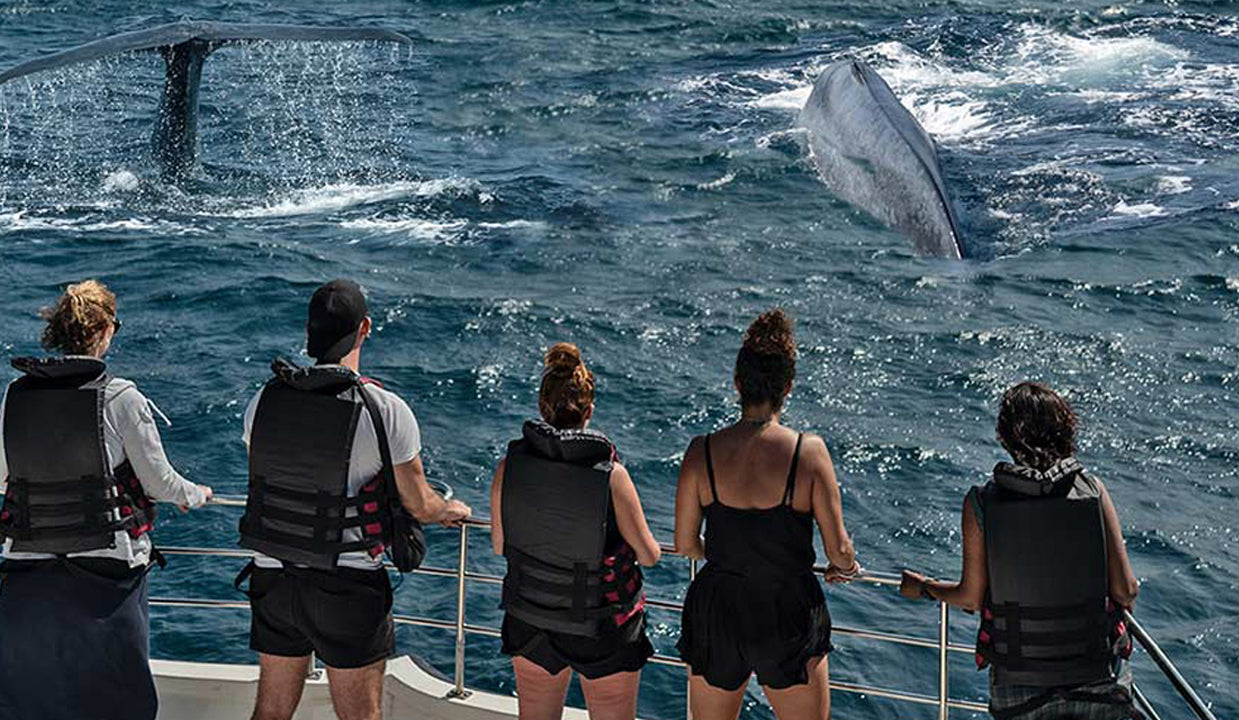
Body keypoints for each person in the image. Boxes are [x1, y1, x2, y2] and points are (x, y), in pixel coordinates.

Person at [238, 279, 471, 720]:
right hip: (347, 586)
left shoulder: (262, 400)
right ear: (364, 328)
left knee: (270, 713)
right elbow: (419, 504)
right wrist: (450, 510)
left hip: (275, 578)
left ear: (310, 332)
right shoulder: (383, 409)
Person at [0, 280, 213, 720]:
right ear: (104, 331)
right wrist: (196, 494)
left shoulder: (14, 396)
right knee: (119, 704)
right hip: (106, 577)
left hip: (27, 574)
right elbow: (160, 484)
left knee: (34, 703)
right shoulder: (120, 398)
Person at [900, 382, 1141, 720]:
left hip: (1019, 692)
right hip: (1097, 681)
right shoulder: (1093, 490)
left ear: (1005, 437)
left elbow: (970, 598)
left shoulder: (981, 503)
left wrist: (923, 586)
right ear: (1065, 430)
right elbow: (1126, 589)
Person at [674, 309, 860, 720]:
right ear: (787, 387)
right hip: (786, 607)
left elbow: (685, 543)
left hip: (718, 606)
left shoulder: (701, 451)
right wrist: (845, 565)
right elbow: (839, 548)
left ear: (738, 383)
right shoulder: (807, 453)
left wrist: (730, 559)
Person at [489, 342, 662, 720]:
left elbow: (500, 545)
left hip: (531, 619)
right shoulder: (611, 476)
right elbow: (649, 554)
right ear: (589, 411)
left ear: (541, 405)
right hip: (602, 626)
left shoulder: (509, 467)